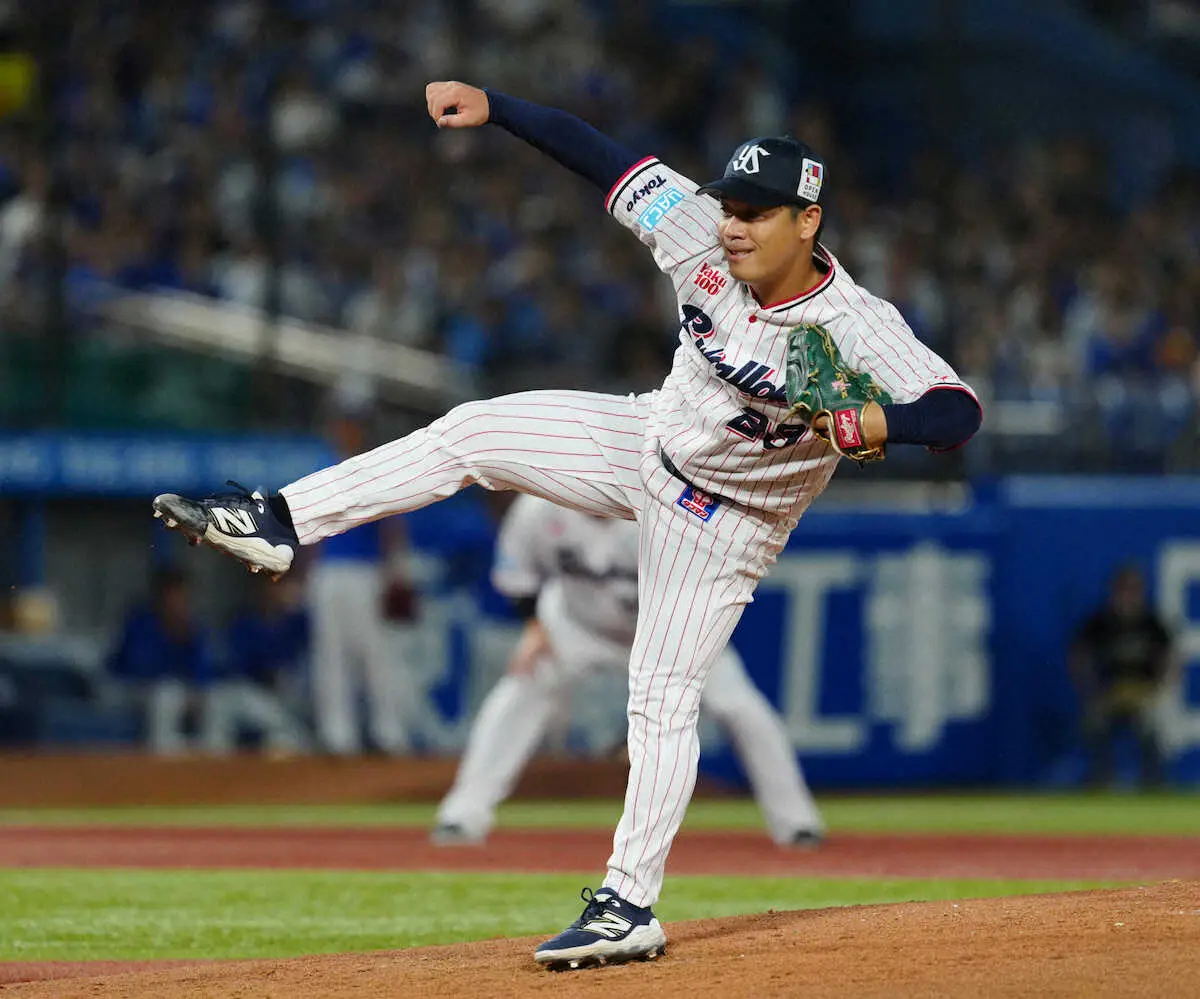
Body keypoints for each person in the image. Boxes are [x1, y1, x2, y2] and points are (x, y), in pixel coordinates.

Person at [151, 80, 982, 970]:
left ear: (808, 221)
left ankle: (629, 905)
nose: (734, 225)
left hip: (726, 520)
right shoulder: (697, 229)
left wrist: (883, 420)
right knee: (471, 431)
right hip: (647, 438)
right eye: (731, 205)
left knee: (660, 696)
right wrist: (496, 105)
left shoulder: (854, 325)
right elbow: (600, 155)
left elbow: (956, 409)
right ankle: (281, 519)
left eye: (757, 213)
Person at [434, 494, 825, 847]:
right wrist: (535, 628)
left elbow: (709, 581)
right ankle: (463, 815)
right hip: (577, 626)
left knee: (740, 707)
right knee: (520, 690)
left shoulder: (668, 507)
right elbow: (517, 578)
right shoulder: (539, 507)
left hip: (670, 631)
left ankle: (797, 822)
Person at [307, 409, 419, 755]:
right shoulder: (321, 470)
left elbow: (392, 527)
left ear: (360, 430)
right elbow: (307, 527)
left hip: (365, 571)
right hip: (328, 571)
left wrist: (395, 572)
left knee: (375, 652)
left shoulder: (372, 470)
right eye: (340, 424)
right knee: (330, 655)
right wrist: (305, 573)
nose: (345, 431)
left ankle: (388, 732)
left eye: (351, 425)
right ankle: (337, 734)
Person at [1069, 565, 1173, 788]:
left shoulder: (1150, 622)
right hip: (1109, 692)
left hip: (1142, 693)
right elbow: (1079, 655)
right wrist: (1090, 689)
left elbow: (1169, 657)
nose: (1127, 596)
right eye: (1123, 590)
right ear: (1114, 592)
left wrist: (1157, 689)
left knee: (1153, 728)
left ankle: (1154, 783)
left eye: (1133, 590)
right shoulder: (1101, 622)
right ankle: (1101, 780)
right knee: (1095, 725)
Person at [105, 567, 215, 754]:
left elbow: (203, 669)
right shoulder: (140, 621)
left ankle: (210, 757)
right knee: (166, 695)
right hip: (123, 687)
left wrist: (197, 690)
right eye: (173, 595)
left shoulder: (192, 627)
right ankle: (162, 755)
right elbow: (140, 668)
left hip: (175, 691)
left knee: (213, 700)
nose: (177, 602)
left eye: (182, 596)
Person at [207, 575, 313, 755]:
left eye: (279, 587)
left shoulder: (298, 622)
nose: (274, 592)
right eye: (270, 586)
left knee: (285, 740)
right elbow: (237, 667)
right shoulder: (244, 622)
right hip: (253, 692)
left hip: (289, 695)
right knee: (222, 701)